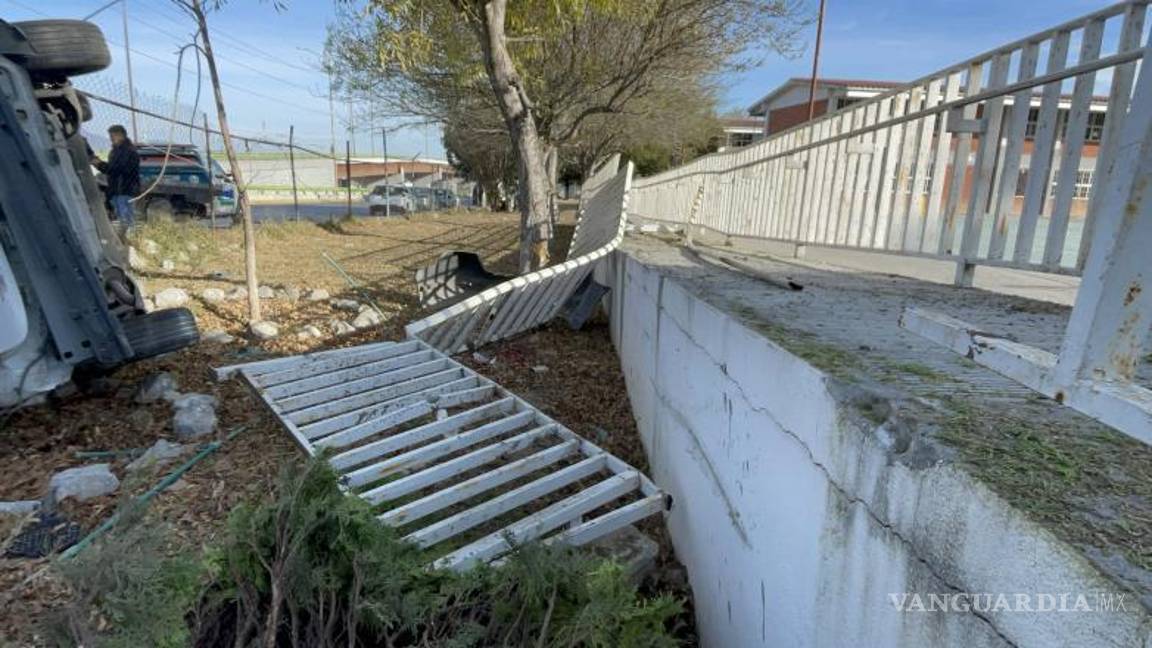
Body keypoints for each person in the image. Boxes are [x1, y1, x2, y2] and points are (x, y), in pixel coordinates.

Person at [90, 124, 140, 229]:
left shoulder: (128, 151)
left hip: (125, 190)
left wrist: (99, 164)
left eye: (113, 136)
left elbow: (117, 170)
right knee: (120, 220)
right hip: (117, 191)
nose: (111, 139)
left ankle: (130, 240)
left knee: (126, 221)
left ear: (121, 135)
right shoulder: (116, 151)